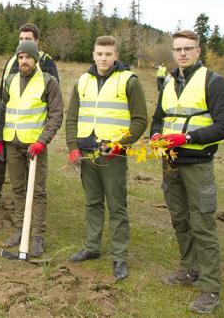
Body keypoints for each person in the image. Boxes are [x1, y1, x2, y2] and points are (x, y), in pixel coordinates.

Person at [150, 30, 224, 314]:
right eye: (178, 49)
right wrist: (155, 136)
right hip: (170, 164)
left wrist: (188, 139)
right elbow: (158, 119)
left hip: (197, 164)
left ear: (199, 51)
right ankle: (189, 269)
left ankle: (210, 289)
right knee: (180, 220)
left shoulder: (214, 82)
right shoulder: (170, 82)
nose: (183, 53)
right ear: (173, 52)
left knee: (203, 225)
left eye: (188, 48)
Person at [65, 35, 147, 281]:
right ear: (93, 55)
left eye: (108, 54)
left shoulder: (129, 81)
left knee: (116, 205)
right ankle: (92, 247)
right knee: (92, 202)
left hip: (113, 156)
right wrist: (72, 146)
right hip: (87, 153)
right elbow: (72, 118)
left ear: (116, 56)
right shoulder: (83, 80)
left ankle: (119, 256)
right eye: (99, 54)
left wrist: (120, 145)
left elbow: (140, 120)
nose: (103, 58)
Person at [0, 41, 63, 257]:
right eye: (21, 57)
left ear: (35, 59)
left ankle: (37, 237)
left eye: (28, 57)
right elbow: (2, 111)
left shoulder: (48, 82)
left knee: (38, 191)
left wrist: (42, 141)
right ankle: (19, 230)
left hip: (35, 147)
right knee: (18, 189)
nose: (24, 61)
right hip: (12, 144)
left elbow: (56, 115)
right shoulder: (10, 81)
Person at [0, 23, 60, 202]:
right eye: (21, 38)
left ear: (37, 41)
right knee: (0, 158)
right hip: (9, 127)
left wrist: (43, 135)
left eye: (28, 39)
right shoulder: (12, 60)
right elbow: (3, 93)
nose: (24, 41)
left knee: (31, 175)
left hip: (32, 132)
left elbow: (51, 97)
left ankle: (30, 200)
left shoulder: (46, 62)